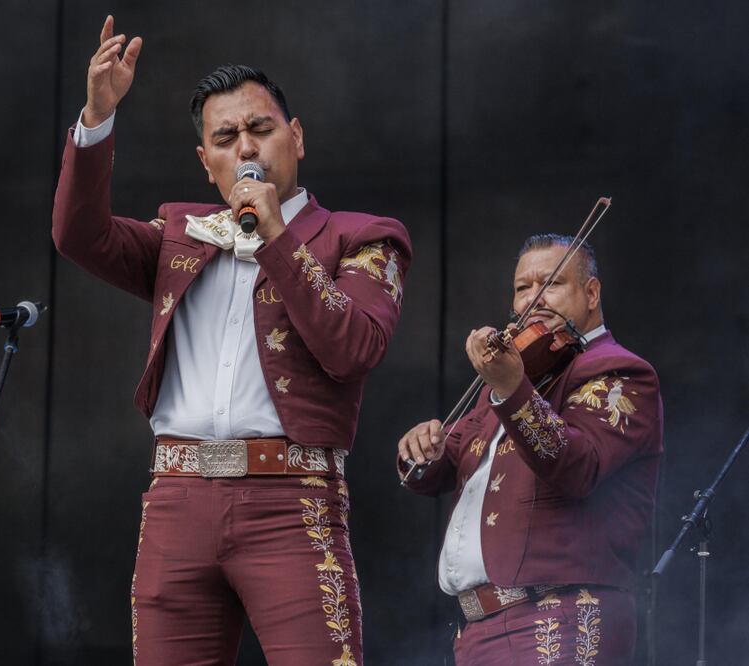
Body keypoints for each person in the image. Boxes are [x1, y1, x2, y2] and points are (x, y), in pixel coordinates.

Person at [51, 15, 411, 666]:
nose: (244, 148)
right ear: (205, 159)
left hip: (291, 502)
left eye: (260, 129)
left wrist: (276, 234)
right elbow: (79, 236)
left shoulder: (358, 237)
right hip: (176, 499)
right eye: (225, 136)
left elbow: (353, 347)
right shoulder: (179, 236)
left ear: (295, 137)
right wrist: (97, 116)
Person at [397, 235, 662, 664]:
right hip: (477, 629)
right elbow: (447, 464)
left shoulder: (619, 370)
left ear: (591, 293)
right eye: (523, 287)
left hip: (561, 617)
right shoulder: (515, 376)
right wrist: (421, 451)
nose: (534, 297)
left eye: (551, 283)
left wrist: (509, 386)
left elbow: (575, 467)